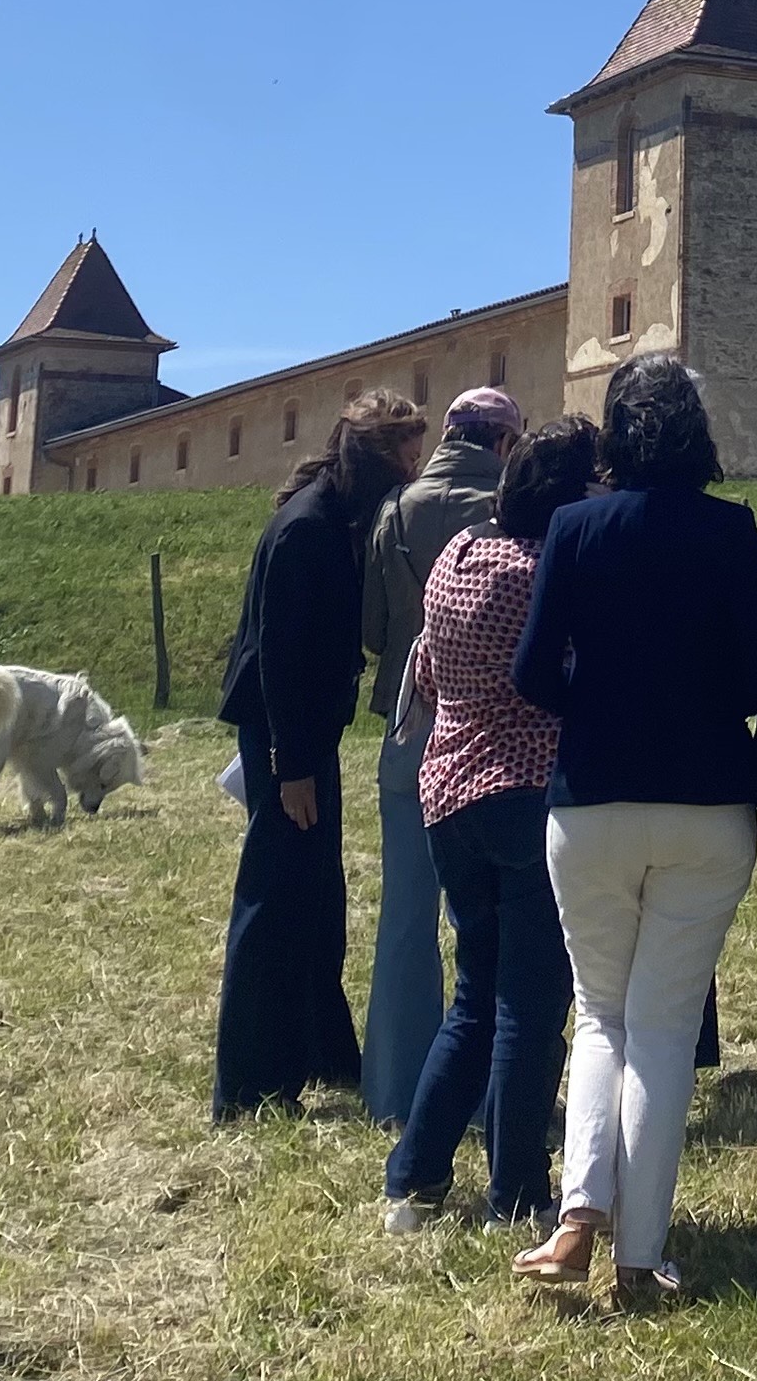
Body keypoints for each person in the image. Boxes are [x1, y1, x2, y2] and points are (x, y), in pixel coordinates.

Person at [509, 356, 757, 1311]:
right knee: (662, 1028)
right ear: (697, 433)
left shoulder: (574, 528)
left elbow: (532, 671)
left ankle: (577, 1216)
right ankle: (640, 1256)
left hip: (591, 799)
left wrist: (599, 704)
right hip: (707, 803)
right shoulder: (731, 528)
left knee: (600, 1014)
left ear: (615, 435)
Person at [380, 416, 599, 1233]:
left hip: (448, 791)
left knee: (475, 996)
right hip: (525, 793)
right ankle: (517, 1193)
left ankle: (414, 1181)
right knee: (530, 1007)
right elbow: (568, 677)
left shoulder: (459, 556)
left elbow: (427, 672)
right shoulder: (547, 573)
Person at [213, 388, 428, 1120]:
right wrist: (292, 767)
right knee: (274, 899)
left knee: (316, 893)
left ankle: (321, 1051)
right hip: (287, 735)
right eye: (406, 457)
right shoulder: (306, 529)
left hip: (307, 733)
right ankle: (248, 1085)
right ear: (375, 458)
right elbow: (280, 659)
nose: (413, 470)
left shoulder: (333, 517)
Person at [360, 385, 524, 1125]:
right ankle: (484, 1096)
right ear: (503, 442)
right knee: (484, 929)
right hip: (491, 740)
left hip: (409, 727)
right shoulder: (509, 509)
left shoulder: (396, 509)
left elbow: (374, 628)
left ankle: (395, 1090)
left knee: (404, 917)